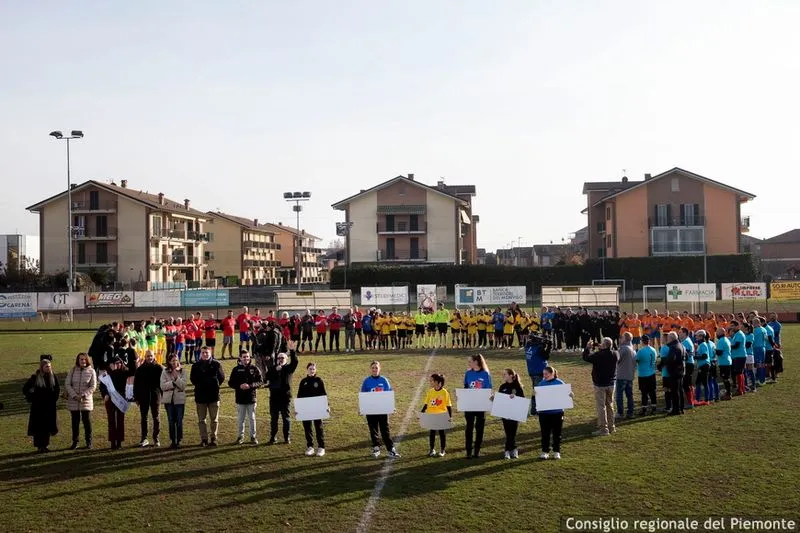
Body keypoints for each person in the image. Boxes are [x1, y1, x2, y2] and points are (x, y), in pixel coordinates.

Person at [361, 361, 400, 458]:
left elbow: (389, 394)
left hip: (382, 410)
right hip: (371, 410)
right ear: (370, 369)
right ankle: (376, 448)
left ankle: (391, 449)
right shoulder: (366, 381)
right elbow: (363, 395)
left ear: (379, 369)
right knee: (373, 430)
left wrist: (392, 407)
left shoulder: (384, 380)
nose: (374, 369)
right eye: (373, 368)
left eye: (376, 368)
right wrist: (362, 408)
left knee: (385, 430)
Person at [582, 338, 619, 436]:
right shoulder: (615, 354)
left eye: (602, 343)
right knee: (610, 405)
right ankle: (611, 427)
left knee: (601, 407)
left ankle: (604, 429)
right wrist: (602, 348)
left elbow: (586, 357)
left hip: (600, 385)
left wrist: (588, 348)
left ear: (604, 345)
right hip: (611, 384)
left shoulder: (599, 355)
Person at [190, 346, 225, 446]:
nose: (205, 354)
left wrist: (213, 386)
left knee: (214, 419)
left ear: (210, 353)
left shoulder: (216, 364)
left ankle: (213, 438)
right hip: (200, 397)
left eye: (207, 352)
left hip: (214, 396)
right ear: (200, 353)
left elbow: (221, 378)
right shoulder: (195, 366)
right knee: (201, 420)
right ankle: (204, 439)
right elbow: (193, 379)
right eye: (203, 353)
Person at [23, 357, 60, 453]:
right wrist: (32, 397)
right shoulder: (35, 377)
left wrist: (54, 400)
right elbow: (25, 389)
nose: (48, 368)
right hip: (38, 407)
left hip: (49, 407)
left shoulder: (53, 377)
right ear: (42, 367)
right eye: (46, 366)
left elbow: (57, 390)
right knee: (38, 427)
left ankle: (45, 445)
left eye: (49, 366)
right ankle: (39, 446)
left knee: (47, 426)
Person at [266, 341, 299, 445]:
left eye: (282, 358)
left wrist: (292, 351)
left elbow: (295, 362)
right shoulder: (272, 368)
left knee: (286, 418)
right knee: (274, 419)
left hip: (285, 398)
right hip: (274, 397)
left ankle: (286, 437)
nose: (280, 360)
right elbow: (266, 377)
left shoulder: (289, 368)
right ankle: (273, 437)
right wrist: (276, 370)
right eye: (279, 358)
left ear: (286, 359)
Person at [228, 350, 263, 445]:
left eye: (247, 356)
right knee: (241, 419)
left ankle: (253, 437)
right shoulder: (236, 369)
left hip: (251, 398)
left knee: (252, 418)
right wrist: (239, 386)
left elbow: (260, 382)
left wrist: (250, 386)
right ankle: (240, 437)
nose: (246, 358)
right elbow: (230, 383)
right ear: (240, 358)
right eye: (244, 357)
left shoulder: (254, 368)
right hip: (240, 398)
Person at [536, 366, 571, 460]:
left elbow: (568, 394)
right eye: (543, 374)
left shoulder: (560, 383)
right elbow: (537, 397)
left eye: (546, 374)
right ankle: (545, 451)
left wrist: (570, 394)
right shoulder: (541, 383)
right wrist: (534, 395)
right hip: (544, 413)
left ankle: (556, 451)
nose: (544, 376)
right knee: (545, 433)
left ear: (552, 374)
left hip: (557, 413)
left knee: (557, 433)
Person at [65, 352, 97, 450]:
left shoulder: (92, 371)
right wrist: (75, 396)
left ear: (87, 360)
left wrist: (83, 395)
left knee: (86, 422)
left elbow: (93, 386)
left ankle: (88, 441)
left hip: (85, 401)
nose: (83, 361)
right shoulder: (73, 370)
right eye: (81, 359)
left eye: (84, 359)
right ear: (78, 360)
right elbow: (67, 384)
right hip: (73, 401)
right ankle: (75, 441)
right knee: (75, 422)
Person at [463, 354, 492, 458]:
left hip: (481, 405)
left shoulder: (485, 374)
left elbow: (488, 389)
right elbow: (465, 387)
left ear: (476, 362)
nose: (469, 363)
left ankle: (477, 451)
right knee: (469, 428)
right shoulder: (468, 373)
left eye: (470, 361)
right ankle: (468, 451)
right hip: (470, 405)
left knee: (479, 429)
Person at [133, 349, 163, 447]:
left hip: (155, 396)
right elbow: (136, 384)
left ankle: (156, 438)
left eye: (151, 356)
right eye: (147, 356)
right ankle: (144, 438)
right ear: (145, 357)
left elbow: (162, 384)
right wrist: (136, 398)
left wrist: (162, 396)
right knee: (144, 418)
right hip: (143, 397)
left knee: (156, 418)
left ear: (154, 356)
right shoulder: (140, 369)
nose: (149, 358)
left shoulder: (159, 368)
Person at [297, 361, 327, 457]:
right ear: (307, 370)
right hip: (306, 408)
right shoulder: (303, 381)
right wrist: (298, 408)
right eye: (310, 369)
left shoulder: (319, 380)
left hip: (317, 408)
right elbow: (299, 396)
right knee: (307, 427)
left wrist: (327, 406)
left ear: (316, 370)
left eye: (313, 369)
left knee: (318, 427)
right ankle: (310, 447)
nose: (312, 370)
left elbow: (323, 394)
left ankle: (321, 447)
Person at [99, 357, 129, 450]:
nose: (118, 365)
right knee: (111, 421)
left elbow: (127, 384)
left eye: (120, 363)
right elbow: (102, 387)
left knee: (120, 420)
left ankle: (119, 441)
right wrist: (105, 394)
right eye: (116, 363)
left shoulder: (124, 373)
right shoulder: (106, 375)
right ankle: (112, 442)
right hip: (110, 400)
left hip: (121, 399)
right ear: (110, 364)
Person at [494, 368, 524, 459]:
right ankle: (512, 449)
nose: (504, 376)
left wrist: (515, 397)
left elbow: (522, 399)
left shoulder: (517, 387)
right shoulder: (502, 386)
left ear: (511, 375)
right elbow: (499, 399)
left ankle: (509, 450)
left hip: (514, 414)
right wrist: (494, 398)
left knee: (512, 433)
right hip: (505, 414)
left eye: (505, 374)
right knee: (508, 433)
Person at [421, 373, 452, 457]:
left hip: (442, 416)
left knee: (442, 433)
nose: (430, 382)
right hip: (432, 415)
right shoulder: (430, 391)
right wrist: (422, 412)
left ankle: (442, 450)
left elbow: (448, 406)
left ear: (437, 382)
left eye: (431, 380)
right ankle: (432, 449)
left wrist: (450, 417)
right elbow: (426, 404)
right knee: (432, 433)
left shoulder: (444, 392)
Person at [160, 353, 187, 449]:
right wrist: (173, 383)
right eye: (173, 361)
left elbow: (183, 385)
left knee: (179, 421)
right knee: (171, 421)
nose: (175, 362)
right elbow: (162, 386)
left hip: (179, 400)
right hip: (169, 401)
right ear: (169, 362)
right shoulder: (164, 372)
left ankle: (179, 440)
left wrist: (176, 378)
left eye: (176, 360)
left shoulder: (183, 371)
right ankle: (173, 440)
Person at [524, 333, 551, 415]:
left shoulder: (528, 346)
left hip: (532, 371)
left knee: (536, 390)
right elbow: (546, 356)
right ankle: (535, 409)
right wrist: (549, 346)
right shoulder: (538, 348)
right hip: (539, 371)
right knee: (538, 391)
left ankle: (534, 409)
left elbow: (529, 342)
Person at [662, 332, 686, 415]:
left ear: (671, 339)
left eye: (668, 338)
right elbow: (685, 355)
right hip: (681, 370)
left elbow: (671, 359)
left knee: (675, 392)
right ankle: (681, 408)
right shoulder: (681, 345)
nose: (667, 340)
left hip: (675, 371)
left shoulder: (673, 347)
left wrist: (664, 364)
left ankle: (676, 410)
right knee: (680, 390)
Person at [635, 335, 658, 415]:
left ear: (642, 341)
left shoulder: (641, 351)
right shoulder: (654, 350)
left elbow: (636, 360)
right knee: (652, 392)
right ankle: (654, 408)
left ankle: (644, 409)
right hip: (652, 373)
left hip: (643, 374)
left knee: (644, 393)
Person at [615, 332, 636, 420]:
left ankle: (620, 412)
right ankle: (630, 412)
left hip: (621, 375)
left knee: (619, 395)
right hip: (630, 375)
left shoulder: (623, 349)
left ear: (625, 339)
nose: (620, 339)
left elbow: (616, 360)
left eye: (622, 337)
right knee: (629, 395)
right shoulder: (633, 349)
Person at [693, 330, 711, 404]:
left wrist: (695, 357)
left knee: (704, 383)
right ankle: (697, 399)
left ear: (701, 336)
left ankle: (706, 399)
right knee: (698, 382)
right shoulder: (701, 345)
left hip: (704, 365)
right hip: (702, 365)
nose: (696, 337)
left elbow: (704, 356)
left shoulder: (703, 344)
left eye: (697, 336)